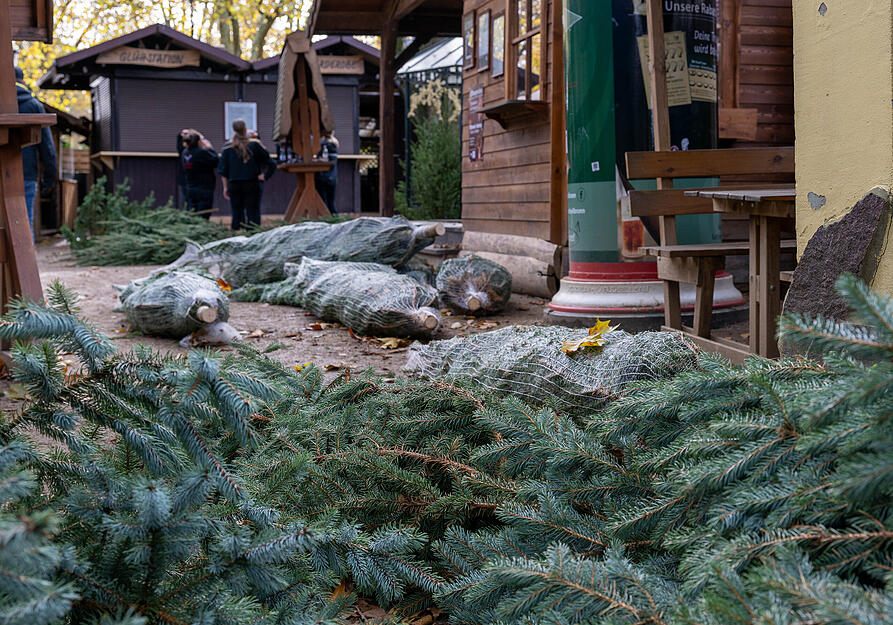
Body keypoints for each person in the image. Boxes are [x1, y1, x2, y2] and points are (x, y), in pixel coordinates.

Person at [15, 67, 56, 235]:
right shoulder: (34, 106)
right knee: (25, 222)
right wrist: (49, 180)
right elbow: (47, 148)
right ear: (23, 82)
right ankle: (26, 260)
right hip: (27, 174)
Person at [218, 119, 270, 230]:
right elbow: (270, 162)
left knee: (236, 212)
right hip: (252, 183)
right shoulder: (255, 145)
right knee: (253, 212)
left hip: (234, 183)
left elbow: (223, 170)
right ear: (245, 129)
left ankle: (236, 235)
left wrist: (225, 187)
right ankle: (253, 235)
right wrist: (265, 175)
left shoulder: (227, 147)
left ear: (233, 130)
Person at [180, 130, 218, 218]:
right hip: (204, 188)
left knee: (191, 212)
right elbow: (216, 161)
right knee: (203, 213)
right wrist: (210, 149)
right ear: (198, 142)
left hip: (190, 187)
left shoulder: (185, 153)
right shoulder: (201, 152)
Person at [314, 131, 338, 213]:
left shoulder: (324, 145)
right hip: (332, 177)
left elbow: (321, 160)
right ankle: (334, 220)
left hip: (322, 176)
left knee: (323, 202)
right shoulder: (335, 144)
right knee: (331, 202)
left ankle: (326, 219)